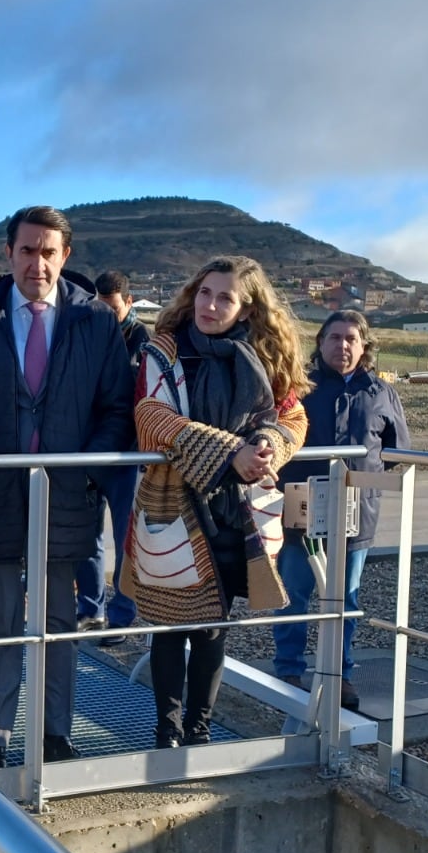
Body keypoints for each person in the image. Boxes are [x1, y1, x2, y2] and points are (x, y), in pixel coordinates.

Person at [0, 206, 134, 769]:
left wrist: (87, 470)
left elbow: (117, 409)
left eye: (48, 252)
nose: (37, 263)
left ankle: (55, 735)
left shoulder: (96, 323)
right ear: (8, 254)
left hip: (66, 501)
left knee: (58, 624)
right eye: (26, 250)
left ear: (65, 256)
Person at [120, 255, 309, 748]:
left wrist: (268, 443)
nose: (209, 304)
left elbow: (293, 417)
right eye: (205, 292)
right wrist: (231, 452)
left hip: (236, 511)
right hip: (172, 502)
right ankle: (167, 730)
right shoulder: (165, 350)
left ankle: (199, 730)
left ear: (246, 309)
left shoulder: (263, 359)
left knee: (212, 626)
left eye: (224, 297)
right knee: (168, 622)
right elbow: (151, 417)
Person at [272, 310, 410, 707]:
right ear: (320, 342)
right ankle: (289, 670)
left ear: (364, 346)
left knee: (346, 598)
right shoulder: (299, 388)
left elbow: (397, 451)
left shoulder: (381, 393)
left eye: (351, 338)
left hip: (357, 516)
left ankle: (339, 674)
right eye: (335, 337)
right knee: (294, 594)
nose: (343, 346)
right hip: (302, 510)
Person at [76, 269, 150, 633]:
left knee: (126, 539)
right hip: (90, 448)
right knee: (86, 535)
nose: (107, 314)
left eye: (114, 308)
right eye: (101, 307)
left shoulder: (143, 340)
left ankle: (122, 616)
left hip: (127, 456)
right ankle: (91, 608)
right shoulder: (86, 332)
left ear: (129, 303)